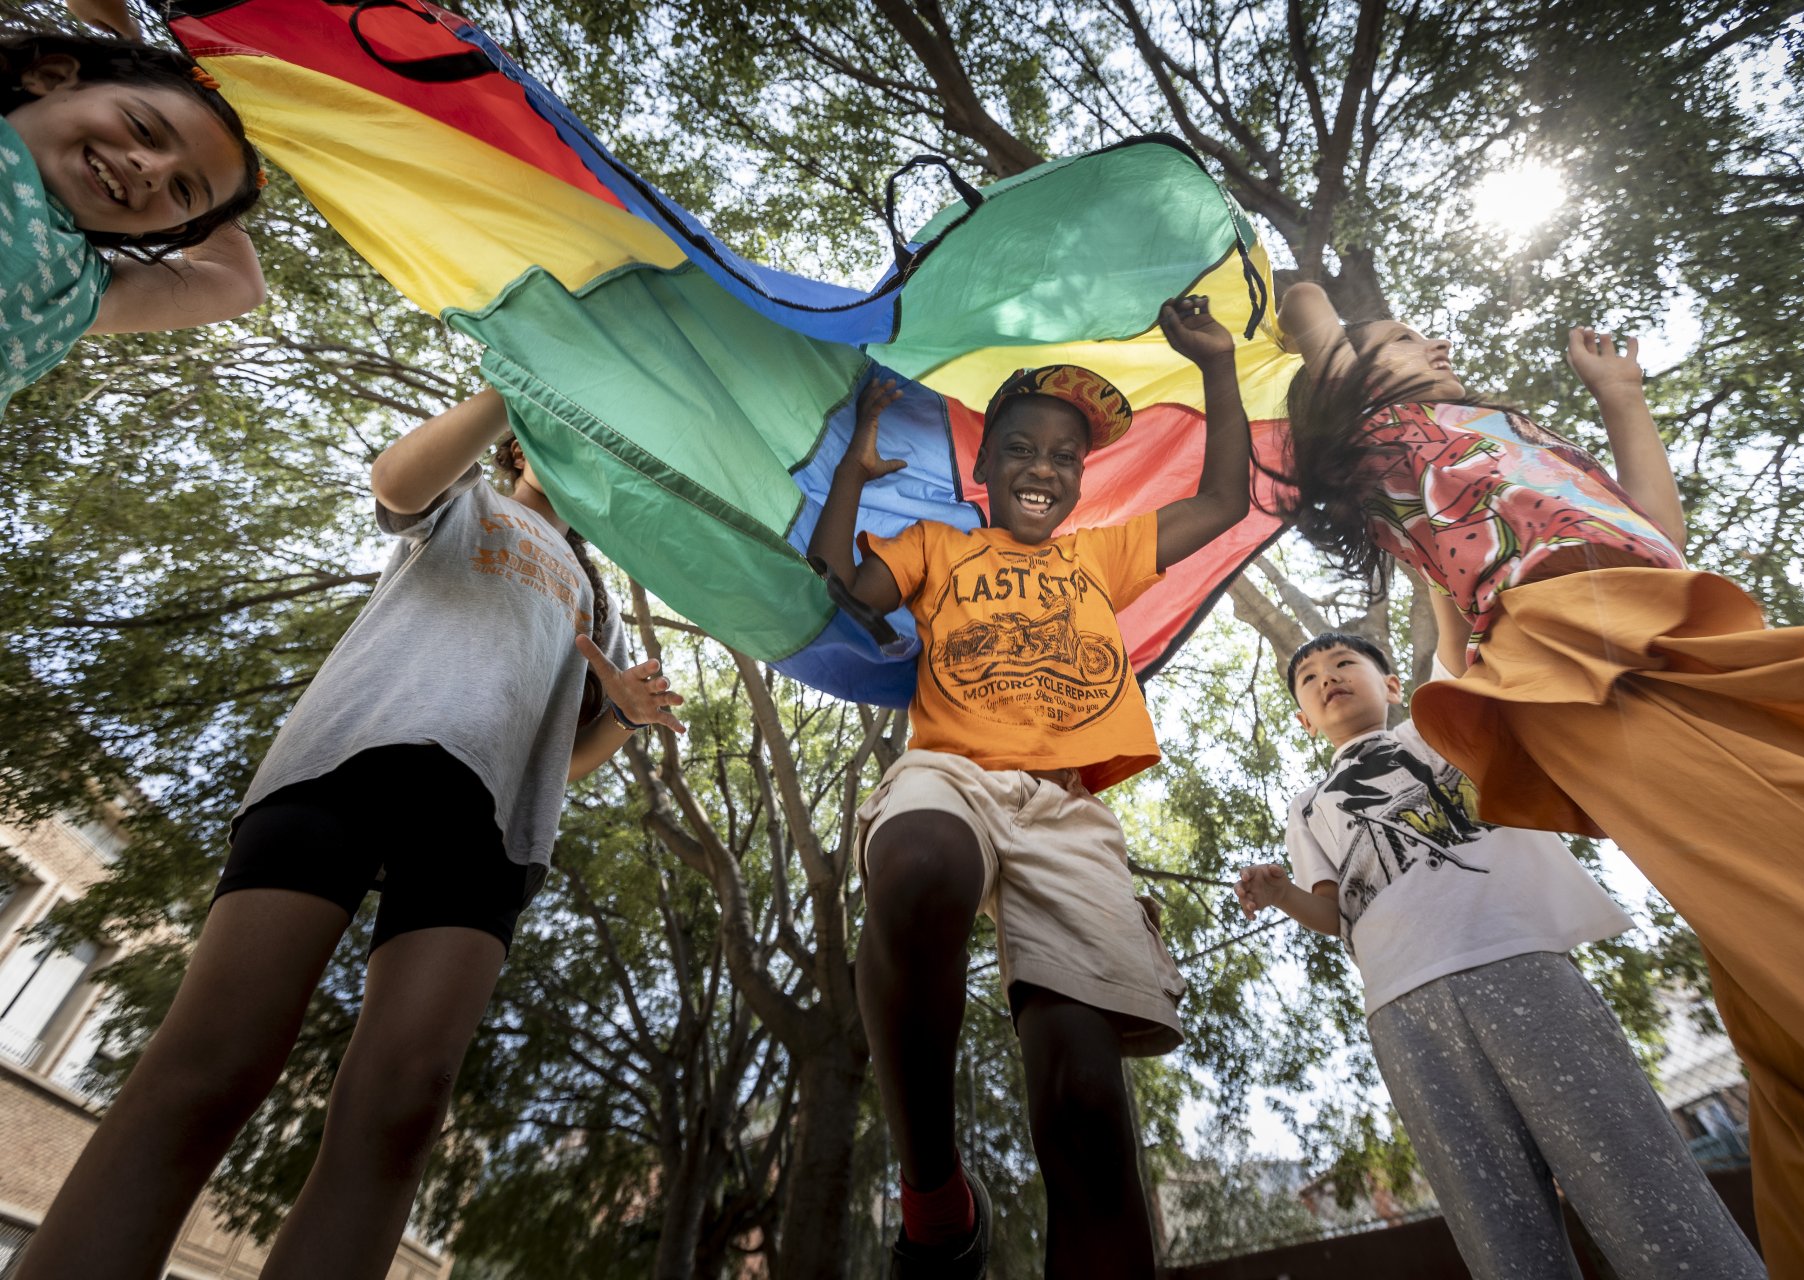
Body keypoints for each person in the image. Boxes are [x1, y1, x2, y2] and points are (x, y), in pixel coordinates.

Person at [1272, 279, 1804, 1279]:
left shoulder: (1512, 429)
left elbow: (1654, 534)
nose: (1435, 337)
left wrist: (1622, 398)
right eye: (1400, 337)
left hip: (1681, 622)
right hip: (1578, 651)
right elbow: (1322, 342)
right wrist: (1300, 294)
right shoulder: (1391, 448)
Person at [14, 388, 687, 1280]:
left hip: (485, 830)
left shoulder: (592, 605)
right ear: (519, 445)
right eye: (561, 433)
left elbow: (548, 766)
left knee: (404, 1109)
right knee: (219, 1057)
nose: (585, 453)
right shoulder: (467, 501)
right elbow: (397, 482)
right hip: (350, 761)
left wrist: (623, 722)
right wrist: (513, 380)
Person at [810, 296, 1249, 1278]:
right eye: (1021, 447)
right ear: (986, 465)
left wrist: (1217, 365)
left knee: (1088, 1107)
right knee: (921, 861)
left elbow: (1222, 501)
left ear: (1080, 479)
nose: (1044, 466)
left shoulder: (1102, 555)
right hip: (953, 770)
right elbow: (841, 579)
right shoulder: (938, 545)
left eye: (1065, 455)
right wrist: (853, 471)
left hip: (1066, 808)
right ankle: (935, 1197)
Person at [1235, 629, 1764, 1279]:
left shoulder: (1441, 725)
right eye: (1309, 678)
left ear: (1394, 685)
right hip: (1401, 1008)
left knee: (1632, 1171)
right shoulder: (1308, 805)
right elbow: (1334, 911)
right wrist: (1282, 892)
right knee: (1494, 1224)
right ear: (1302, 718)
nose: (1327, 677)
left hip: (1518, 961)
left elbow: (1465, 648)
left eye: (1345, 663)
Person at [1, 19, 266, 415]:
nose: (154, 171)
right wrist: (132, 54)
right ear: (52, 76)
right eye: (143, 128)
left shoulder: (70, 287)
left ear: (164, 230)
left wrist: (221, 193)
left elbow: (239, 286)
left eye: (182, 191)